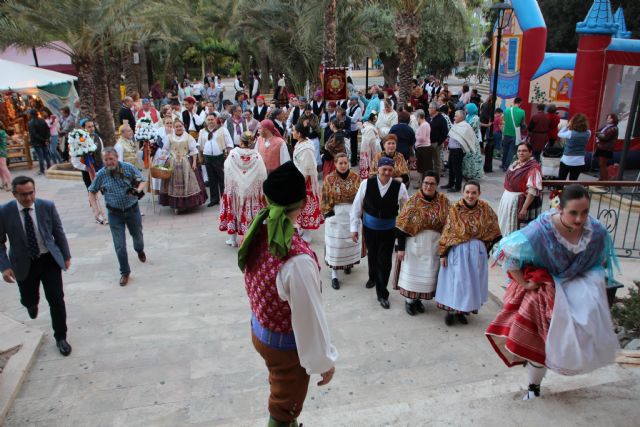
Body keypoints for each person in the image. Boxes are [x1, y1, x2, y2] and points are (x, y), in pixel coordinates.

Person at [487, 184, 619, 400]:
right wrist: (526, 283)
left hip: (579, 284)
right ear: (560, 209)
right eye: (573, 213)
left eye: (584, 212)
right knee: (539, 340)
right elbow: (506, 253)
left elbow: (600, 259)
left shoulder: (595, 231)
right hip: (545, 287)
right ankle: (533, 386)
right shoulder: (541, 231)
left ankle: (565, 364)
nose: (579, 219)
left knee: (585, 325)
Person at [238, 161, 337, 427]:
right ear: (303, 204)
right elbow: (309, 319)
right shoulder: (297, 259)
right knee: (284, 408)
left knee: (281, 392)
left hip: (260, 330)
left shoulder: (259, 228)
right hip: (283, 347)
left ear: (266, 199)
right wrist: (323, 360)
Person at [0, 176, 72, 356]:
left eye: (31, 193)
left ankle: (61, 337)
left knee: (56, 299)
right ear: (14, 194)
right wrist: (4, 266)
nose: (28, 198)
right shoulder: (4, 212)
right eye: (23, 194)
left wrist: (66, 255)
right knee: (29, 298)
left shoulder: (46, 206)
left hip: (48, 260)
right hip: (23, 263)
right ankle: (31, 304)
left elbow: (58, 232)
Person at [436, 180, 501, 325]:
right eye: (467, 192)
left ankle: (463, 311)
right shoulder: (455, 209)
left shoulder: (485, 208)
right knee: (457, 282)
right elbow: (448, 231)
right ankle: (451, 311)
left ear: (479, 194)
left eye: (474, 193)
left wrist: (486, 251)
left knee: (472, 283)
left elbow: (494, 229)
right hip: (459, 250)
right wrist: (443, 253)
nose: (470, 196)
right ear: (462, 192)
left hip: (477, 251)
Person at [351, 156, 409, 309]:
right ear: (378, 169)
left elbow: (406, 209)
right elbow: (357, 206)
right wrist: (354, 228)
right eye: (384, 169)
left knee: (384, 261)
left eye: (390, 170)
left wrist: (404, 229)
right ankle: (372, 277)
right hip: (370, 228)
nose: (387, 172)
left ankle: (382, 293)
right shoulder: (366, 183)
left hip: (389, 230)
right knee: (372, 254)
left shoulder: (399, 187)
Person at [393, 171, 449, 315]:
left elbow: (449, 225)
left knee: (427, 275)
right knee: (413, 272)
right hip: (414, 243)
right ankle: (409, 301)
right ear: (421, 183)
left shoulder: (444, 201)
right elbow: (401, 225)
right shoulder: (413, 201)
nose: (428, 186)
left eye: (432, 184)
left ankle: (419, 300)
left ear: (437, 185)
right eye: (426, 183)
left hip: (434, 245)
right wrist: (401, 247)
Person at [88, 148, 146, 286]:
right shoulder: (101, 174)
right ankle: (125, 272)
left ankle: (139, 250)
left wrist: (137, 190)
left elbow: (142, 180)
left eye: (111, 159)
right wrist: (96, 210)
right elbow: (92, 191)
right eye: (106, 160)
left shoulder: (127, 167)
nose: (109, 162)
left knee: (137, 235)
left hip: (132, 210)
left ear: (117, 157)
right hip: (114, 214)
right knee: (119, 245)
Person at [321, 153, 361, 289]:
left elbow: (361, 197)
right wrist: (329, 214)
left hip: (351, 213)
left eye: (345, 163)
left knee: (349, 242)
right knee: (335, 245)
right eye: (340, 163)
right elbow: (325, 197)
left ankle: (348, 264)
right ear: (336, 164)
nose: (343, 165)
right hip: (336, 214)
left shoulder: (356, 177)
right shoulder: (329, 179)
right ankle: (334, 274)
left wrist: (360, 213)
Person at [220, 131, 267, 247]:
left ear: (241, 141)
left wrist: (236, 181)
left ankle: (232, 239)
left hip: (236, 190)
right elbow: (262, 174)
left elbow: (227, 168)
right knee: (251, 214)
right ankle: (251, 238)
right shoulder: (256, 156)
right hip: (251, 192)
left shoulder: (233, 154)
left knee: (234, 211)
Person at [158, 119, 208, 211]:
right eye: (176, 126)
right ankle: (175, 205)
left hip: (185, 162)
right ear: (174, 127)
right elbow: (165, 149)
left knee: (188, 181)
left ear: (183, 126)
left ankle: (187, 204)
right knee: (173, 183)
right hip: (172, 162)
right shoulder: (169, 137)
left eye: (180, 126)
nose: (178, 128)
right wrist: (163, 156)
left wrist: (193, 163)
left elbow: (194, 151)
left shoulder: (188, 137)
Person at [497, 143, 542, 237]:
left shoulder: (533, 168)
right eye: (519, 151)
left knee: (515, 229)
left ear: (530, 153)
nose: (521, 153)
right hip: (507, 199)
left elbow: (532, 191)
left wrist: (524, 208)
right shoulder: (516, 163)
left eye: (524, 151)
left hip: (518, 201)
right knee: (504, 225)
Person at [292, 120, 324, 241]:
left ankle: (308, 234)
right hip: (299, 179)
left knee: (307, 207)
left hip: (306, 182)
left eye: (294, 131)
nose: (292, 132)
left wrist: (300, 184)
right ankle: (301, 228)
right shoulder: (301, 144)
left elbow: (306, 169)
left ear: (299, 134)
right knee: (299, 207)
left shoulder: (306, 149)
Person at [71, 119, 107, 224]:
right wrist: (86, 168)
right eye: (88, 127)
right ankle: (97, 214)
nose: (91, 128)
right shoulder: (78, 140)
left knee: (105, 190)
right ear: (83, 128)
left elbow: (102, 151)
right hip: (88, 170)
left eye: (92, 126)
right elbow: (75, 160)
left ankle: (108, 211)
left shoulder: (97, 138)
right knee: (92, 192)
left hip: (100, 168)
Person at [198, 113, 234, 207]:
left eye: (212, 119)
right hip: (208, 157)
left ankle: (224, 199)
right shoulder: (202, 132)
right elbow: (200, 146)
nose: (210, 121)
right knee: (212, 179)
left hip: (220, 157)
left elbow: (229, 143)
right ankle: (214, 199)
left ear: (216, 119)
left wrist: (229, 156)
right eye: (208, 120)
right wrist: (200, 156)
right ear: (206, 121)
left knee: (222, 179)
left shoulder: (222, 130)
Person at [441, 110, 476, 193]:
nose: (454, 117)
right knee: (451, 167)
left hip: (458, 150)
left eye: (456, 116)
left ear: (461, 117)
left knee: (457, 169)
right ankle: (450, 183)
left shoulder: (465, 126)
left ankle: (457, 186)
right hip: (452, 149)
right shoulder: (457, 124)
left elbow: (467, 138)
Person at [558, 113, 590, 181]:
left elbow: (559, 134)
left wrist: (567, 126)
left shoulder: (570, 133)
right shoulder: (588, 133)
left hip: (567, 159)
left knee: (561, 180)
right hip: (580, 160)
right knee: (573, 181)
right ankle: (572, 191)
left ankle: (559, 191)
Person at [501, 98, 526, 171]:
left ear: (513, 102)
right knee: (511, 151)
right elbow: (523, 123)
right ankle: (506, 166)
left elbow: (504, 120)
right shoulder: (522, 112)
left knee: (505, 150)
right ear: (520, 103)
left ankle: (503, 164)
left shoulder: (507, 110)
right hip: (515, 134)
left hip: (506, 133)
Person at [462, 103, 484, 180]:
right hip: (467, 140)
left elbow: (470, 128)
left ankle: (473, 174)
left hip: (472, 141)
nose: (466, 110)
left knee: (473, 159)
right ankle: (466, 173)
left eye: (467, 109)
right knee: (466, 158)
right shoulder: (467, 116)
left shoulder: (475, 118)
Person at [595, 113, 619, 181]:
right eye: (608, 117)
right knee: (601, 164)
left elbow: (604, 137)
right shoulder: (607, 126)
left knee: (603, 164)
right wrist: (599, 134)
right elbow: (598, 131)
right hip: (602, 147)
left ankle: (604, 180)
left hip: (606, 148)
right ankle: (602, 178)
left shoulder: (614, 128)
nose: (608, 119)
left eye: (610, 118)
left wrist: (598, 134)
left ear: (614, 119)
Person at [27, 109, 51, 175]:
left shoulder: (31, 123)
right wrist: (46, 138)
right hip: (43, 140)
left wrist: (44, 139)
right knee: (46, 155)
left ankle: (42, 170)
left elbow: (34, 134)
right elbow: (47, 129)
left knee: (40, 156)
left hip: (37, 142)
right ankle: (49, 167)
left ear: (31, 114)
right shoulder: (42, 120)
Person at [428, 102, 448, 177]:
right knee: (429, 161)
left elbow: (445, 132)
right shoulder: (428, 117)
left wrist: (438, 143)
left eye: (430, 108)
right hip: (427, 143)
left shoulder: (441, 119)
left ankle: (436, 177)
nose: (428, 109)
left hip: (435, 143)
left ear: (434, 109)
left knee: (436, 161)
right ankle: (429, 175)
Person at [359, 112, 381, 180]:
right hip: (371, 150)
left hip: (364, 148)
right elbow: (372, 142)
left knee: (365, 164)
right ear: (374, 119)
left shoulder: (365, 125)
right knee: (370, 165)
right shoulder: (371, 128)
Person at [414, 109, 433, 176]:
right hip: (422, 148)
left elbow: (422, 138)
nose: (416, 119)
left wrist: (416, 136)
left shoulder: (424, 125)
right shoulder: (423, 124)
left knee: (424, 168)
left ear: (419, 116)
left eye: (416, 117)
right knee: (422, 167)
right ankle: (421, 183)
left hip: (424, 148)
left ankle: (422, 183)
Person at [346, 96, 362, 166]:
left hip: (354, 128)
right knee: (350, 145)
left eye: (352, 100)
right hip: (350, 128)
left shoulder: (358, 109)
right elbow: (346, 113)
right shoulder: (351, 107)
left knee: (354, 145)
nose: (350, 102)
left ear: (355, 101)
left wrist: (347, 117)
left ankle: (354, 161)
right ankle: (351, 159)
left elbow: (354, 119)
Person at [0, 123, 13, 191]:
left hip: (0, 152)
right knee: (1, 168)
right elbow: (9, 138)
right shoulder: (3, 131)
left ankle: (10, 184)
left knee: (3, 168)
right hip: (3, 151)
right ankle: (4, 182)